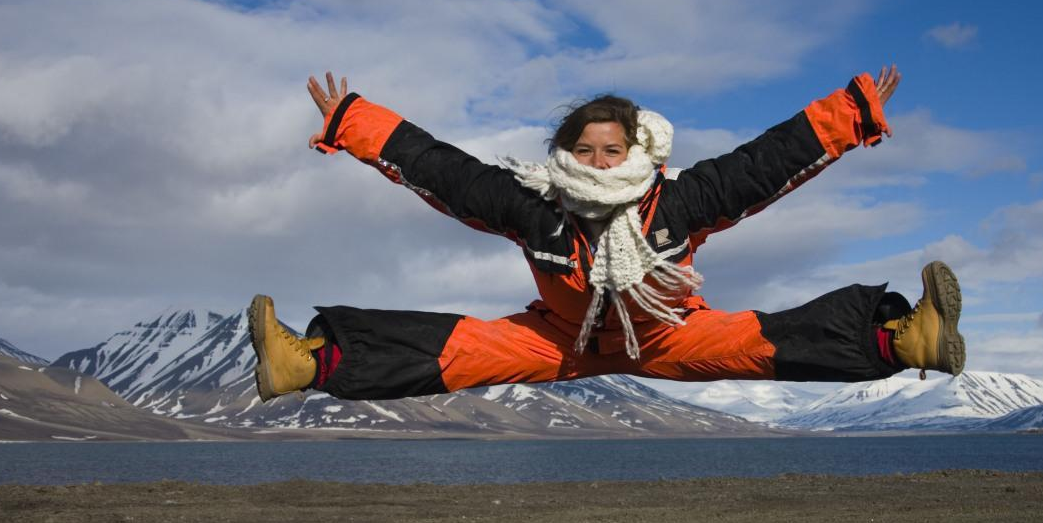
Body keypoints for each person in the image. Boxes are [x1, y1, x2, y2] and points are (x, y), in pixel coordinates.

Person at [248, 68, 965, 403]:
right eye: (584, 151)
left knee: (766, 339)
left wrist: (850, 113)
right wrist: (355, 124)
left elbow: (765, 165)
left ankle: (907, 338)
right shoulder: (536, 208)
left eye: (610, 152)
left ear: (636, 154)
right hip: (558, 341)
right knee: (458, 348)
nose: (596, 163)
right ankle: (306, 363)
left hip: (670, 336)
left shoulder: (679, 203)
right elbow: (445, 174)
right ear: (565, 155)